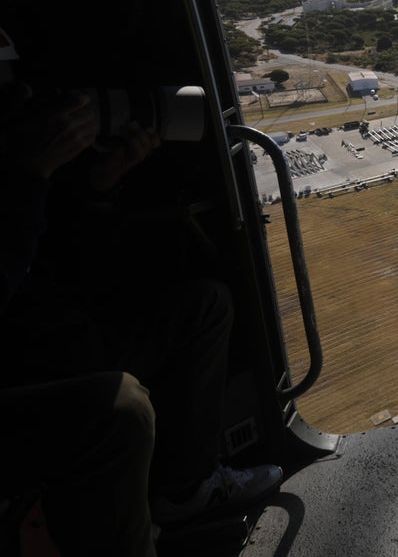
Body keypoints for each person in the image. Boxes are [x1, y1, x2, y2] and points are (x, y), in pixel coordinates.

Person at [0, 72, 282, 554]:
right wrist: (29, 173)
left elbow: (62, 263)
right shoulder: (20, 176)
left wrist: (100, 185)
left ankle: (184, 491)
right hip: (20, 362)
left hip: (52, 334)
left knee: (206, 306)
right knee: (121, 408)